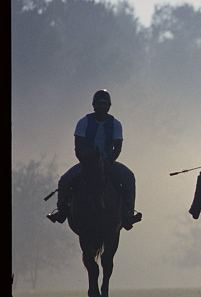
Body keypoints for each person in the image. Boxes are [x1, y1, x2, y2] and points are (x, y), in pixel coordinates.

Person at [47, 89, 142, 230]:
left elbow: (117, 148)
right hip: (87, 163)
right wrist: (86, 162)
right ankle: (61, 211)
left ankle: (128, 214)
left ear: (109, 107)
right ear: (94, 105)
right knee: (65, 180)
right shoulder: (84, 122)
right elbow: (78, 147)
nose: (102, 107)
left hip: (108, 162)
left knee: (128, 177)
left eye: (105, 104)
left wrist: (108, 162)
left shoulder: (116, 124)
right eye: (99, 104)